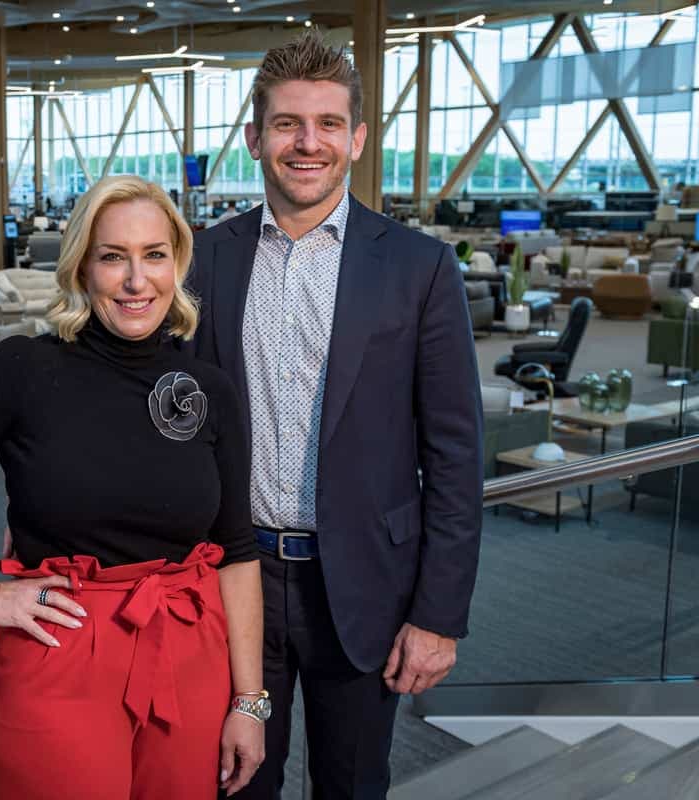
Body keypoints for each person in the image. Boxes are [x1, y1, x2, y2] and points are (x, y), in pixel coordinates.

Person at [0, 175, 267, 799]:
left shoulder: (209, 389)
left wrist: (250, 701)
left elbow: (236, 551)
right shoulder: (25, 369)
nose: (137, 281)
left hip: (190, 652)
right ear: (81, 267)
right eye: (113, 257)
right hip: (63, 647)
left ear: (177, 265)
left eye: (154, 255)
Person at [183, 33, 484, 799]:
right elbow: (162, 414)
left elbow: (454, 455)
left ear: (355, 137)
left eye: (325, 123)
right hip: (233, 581)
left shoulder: (420, 268)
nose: (306, 143)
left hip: (365, 588)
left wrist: (439, 615)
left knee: (351, 785)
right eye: (286, 123)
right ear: (255, 138)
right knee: (232, 782)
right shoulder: (201, 259)